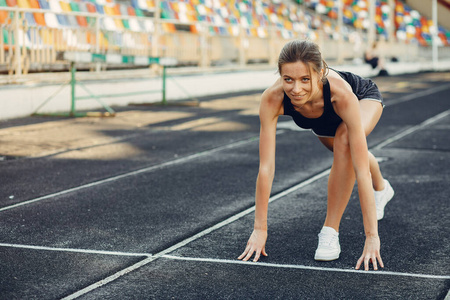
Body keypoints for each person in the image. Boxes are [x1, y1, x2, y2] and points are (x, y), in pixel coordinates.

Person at [237, 40, 394, 271]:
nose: (296, 89)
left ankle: (330, 231)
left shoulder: (341, 94)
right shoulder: (272, 98)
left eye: (305, 79)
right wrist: (260, 229)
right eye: (288, 79)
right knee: (348, 150)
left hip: (362, 98)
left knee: (346, 141)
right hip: (321, 119)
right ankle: (382, 187)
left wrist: (372, 236)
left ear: (320, 74)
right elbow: (266, 168)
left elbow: (361, 170)